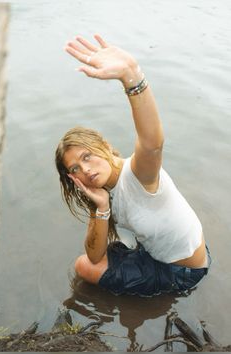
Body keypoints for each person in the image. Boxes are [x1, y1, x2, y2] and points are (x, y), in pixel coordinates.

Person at [55, 34, 211, 296]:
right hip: (165, 253)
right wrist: (101, 206)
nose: (85, 170)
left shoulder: (138, 173)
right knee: (106, 248)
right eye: (75, 169)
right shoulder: (104, 191)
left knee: (82, 267)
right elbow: (97, 253)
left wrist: (132, 76)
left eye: (86, 156)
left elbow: (152, 144)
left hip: (183, 273)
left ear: (103, 144)